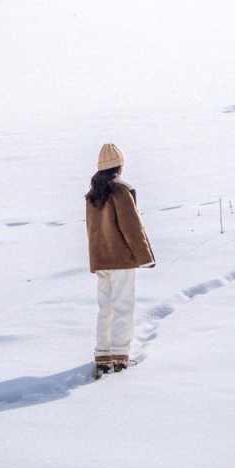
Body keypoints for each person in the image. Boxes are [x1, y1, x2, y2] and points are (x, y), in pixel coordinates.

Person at [85, 143, 155, 377]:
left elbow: (93, 232)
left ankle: (103, 355)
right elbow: (132, 226)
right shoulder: (121, 190)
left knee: (105, 308)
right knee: (123, 307)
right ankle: (120, 356)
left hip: (102, 260)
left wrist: (95, 260)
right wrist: (145, 257)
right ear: (119, 166)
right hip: (121, 260)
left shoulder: (93, 193)